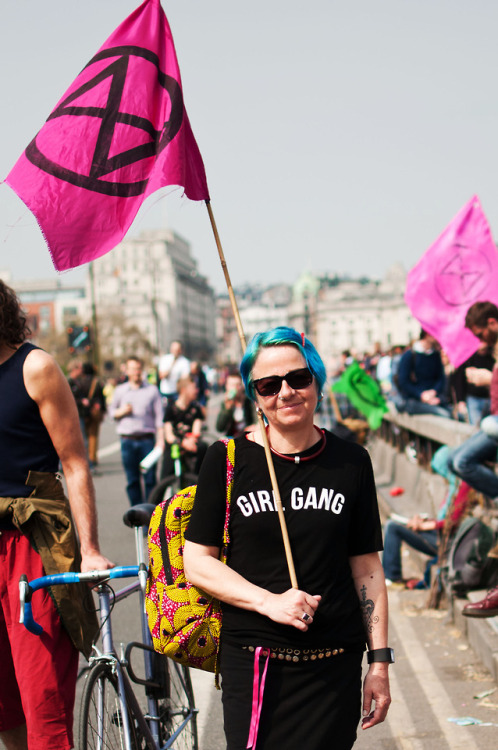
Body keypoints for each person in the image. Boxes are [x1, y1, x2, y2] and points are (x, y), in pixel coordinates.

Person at [184, 326, 391, 750]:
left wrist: (380, 663)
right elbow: (197, 561)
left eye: (298, 378)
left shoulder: (352, 462)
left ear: (316, 380)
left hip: (334, 665)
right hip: (258, 664)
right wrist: (269, 602)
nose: (286, 392)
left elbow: (367, 568)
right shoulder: (225, 459)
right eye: (268, 384)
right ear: (254, 395)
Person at [0, 280, 112, 750]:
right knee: (4, 706)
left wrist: (88, 550)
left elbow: (74, 462)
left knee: (43, 696)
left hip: (32, 542)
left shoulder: (36, 367)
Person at [110, 356, 164, 505]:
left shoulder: (152, 391)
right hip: (127, 440)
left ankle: (152, 515)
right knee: (132, 480)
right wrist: (121, 412)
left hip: (147, 440)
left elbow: (160, 417)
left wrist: (161, 440)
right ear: (126, 371)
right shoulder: (120, 391)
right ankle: (137, 513)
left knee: (150, 480)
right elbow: (111, 412)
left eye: (138, 369)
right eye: (133, 369)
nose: (136, 372)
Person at [396, 330, 452, 417]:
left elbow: (441, 378)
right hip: (415, 400)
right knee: (443, 414)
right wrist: (421, 395)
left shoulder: (435, 355)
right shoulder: (409, 355)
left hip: (433, 398)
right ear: (427, 334)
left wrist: (433, 391)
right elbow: (403, 382)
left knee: (457, 416)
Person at [162, 374, 208, 477]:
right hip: (176, 444)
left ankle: (199, 481)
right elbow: (169, 435)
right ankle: (163, 488)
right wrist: (182, 443)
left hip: (191, 443)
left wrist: (191, 440)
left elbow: (197, 431)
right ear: (183, 390)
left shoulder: (195, 409)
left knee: (202, 448)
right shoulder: (170, 409)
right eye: (193, 388)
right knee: (166, 470)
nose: (197, 390)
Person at [453, 343, 494, 425]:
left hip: (489, 399)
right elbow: (459, 380)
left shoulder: (492, 357)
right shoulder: (468, 358)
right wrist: (460, 400)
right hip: (474, 398)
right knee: (475, 426)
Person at [81, 362, 107, 472]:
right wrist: (103, 410)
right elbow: (102, 397)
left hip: (83, 412)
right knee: (93, 436)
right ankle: (92, 458)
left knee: (84, 436)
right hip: (94, 412)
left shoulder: (81, 382)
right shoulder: (96, 382)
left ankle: (85, 458)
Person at [215, 369, 256, 438]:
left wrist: (253, 427)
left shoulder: (249, 402)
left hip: (247, 437)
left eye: (237, 385)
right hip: (232, 438)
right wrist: (227, 409)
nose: (235, 388)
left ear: (242, 387)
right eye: (232, 385)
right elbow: (220, 428)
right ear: (227, 387)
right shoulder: (225, 404)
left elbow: (256, 421)